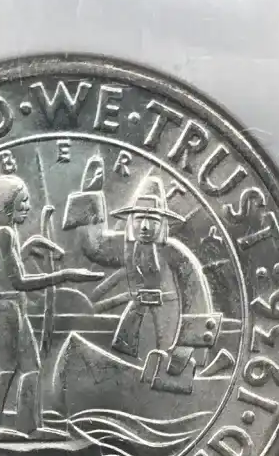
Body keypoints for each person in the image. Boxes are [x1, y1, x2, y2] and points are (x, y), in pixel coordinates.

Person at [55, 162, 219, 396]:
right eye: (140, 218)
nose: (144, 225)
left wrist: (186, 346)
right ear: (131, 220)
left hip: (169, 320)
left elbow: (197, 297)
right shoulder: (126, 246)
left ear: (162, 223)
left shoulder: (174, 252)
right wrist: (90, 196)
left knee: (167, 369)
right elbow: (93, 246)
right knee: (132, 370)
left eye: (152, 219)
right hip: (135, 319)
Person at [0, 175, 101, 443]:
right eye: (23, 201)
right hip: (8, 310)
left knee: (30, 366)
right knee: (8, 369)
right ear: (7, 204)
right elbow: (17, 281)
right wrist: (65, 276)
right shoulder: (3, 234)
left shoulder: (4, 233)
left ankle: (27, 427)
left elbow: (7, 268)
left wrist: (32, 245)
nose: (28, 206)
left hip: (13, 308)